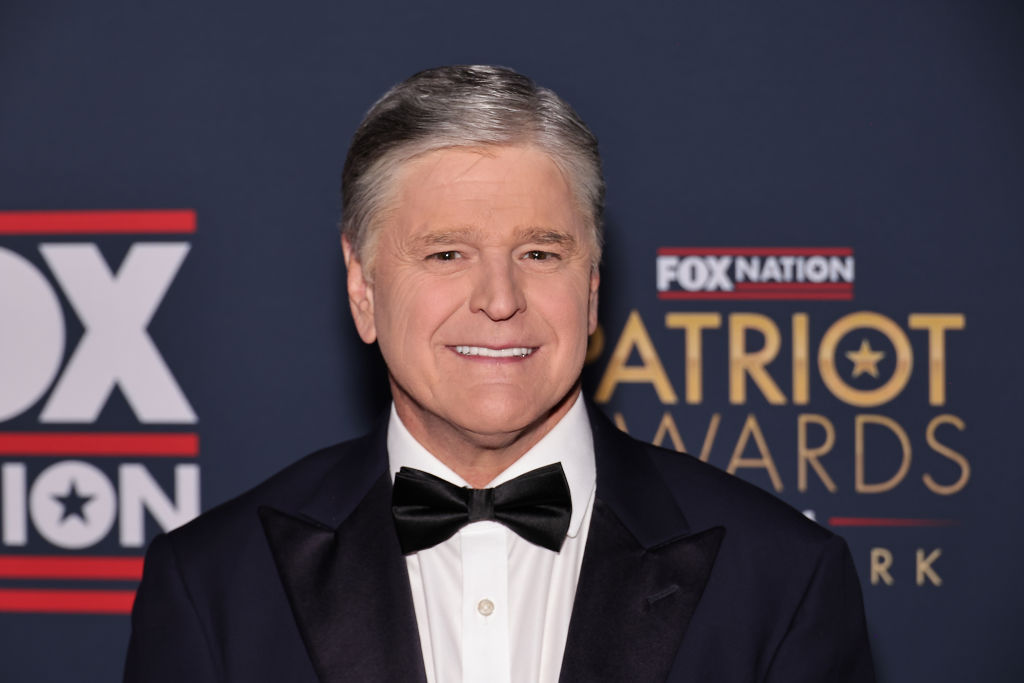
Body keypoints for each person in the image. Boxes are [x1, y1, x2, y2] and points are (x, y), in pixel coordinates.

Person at [124, 65, 875, 683]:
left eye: (539, 253)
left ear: (592, 285)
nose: (500, 299)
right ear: (362, 287)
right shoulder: (214, 585)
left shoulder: (782, 579)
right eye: (447, 253)